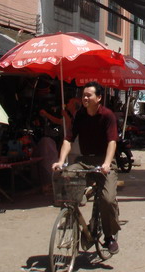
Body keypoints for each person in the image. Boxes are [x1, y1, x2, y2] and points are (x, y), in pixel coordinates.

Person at [52, 82, 120, 255]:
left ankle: (109, 236)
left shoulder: (107, 116)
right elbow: (68, 139)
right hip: (84, 160)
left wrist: (106, 163)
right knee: (66, 174)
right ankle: (71, 212)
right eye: (83, 95)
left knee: (107, 200)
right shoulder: (80, 115)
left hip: (104, 162)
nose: (85, 98)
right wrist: (61, 161)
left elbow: (112, 142)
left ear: (99, 98)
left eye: (89, 95)